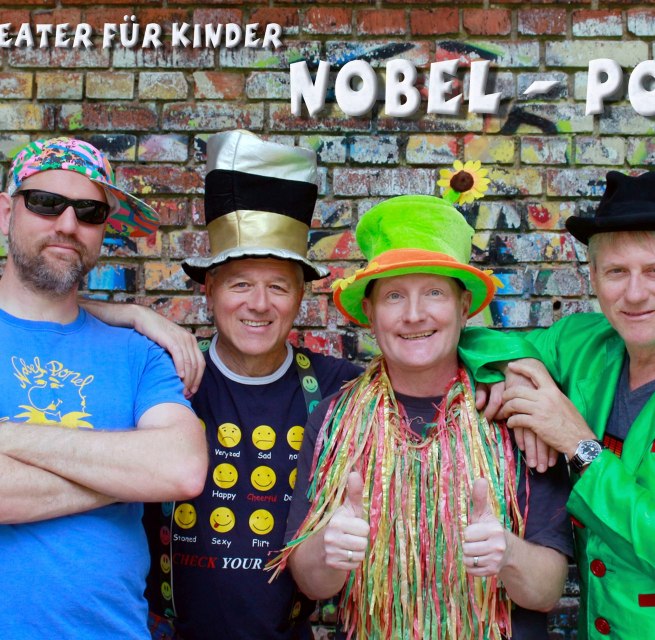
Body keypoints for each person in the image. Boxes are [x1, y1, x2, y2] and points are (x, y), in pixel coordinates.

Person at [276, 178, 572, 639]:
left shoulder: (516, 414)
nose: (414, 314)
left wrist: (508, 554)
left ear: (464, 306)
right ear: (370, 312)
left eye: (434, 292)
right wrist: (329, 551)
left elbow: (548, 591)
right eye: (394, 296)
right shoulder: (334, 419)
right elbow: (312, 583)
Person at [143, 130, 363, 640]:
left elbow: (433, 369)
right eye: (240, 283)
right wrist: (132, 315)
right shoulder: (163, 378)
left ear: (301, 296)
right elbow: (71, 319)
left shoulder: (340, 387)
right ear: (210, 290)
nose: (259, 304)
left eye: (278, 286)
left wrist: (499, 376)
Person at [0, 137, 208, 639]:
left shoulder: (139, 352)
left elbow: (180, 469)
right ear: (5, 212)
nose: (67, 224)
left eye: (89, 212)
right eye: (46, 202)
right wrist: (126, 477)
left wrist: (11, 438)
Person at [494, 170, 655, 640]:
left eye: (653, 271)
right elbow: (484, 346)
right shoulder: (582, 342)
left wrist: (579, 444)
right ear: (594, 279)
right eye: (617, 272)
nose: (635, 293)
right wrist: (517, 378)